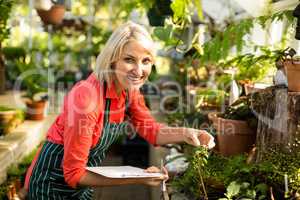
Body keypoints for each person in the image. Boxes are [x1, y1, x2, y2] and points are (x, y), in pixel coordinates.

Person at [21, 21, 215, 199]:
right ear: (112, 60)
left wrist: (188, 133)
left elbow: (153, 131)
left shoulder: (129, 92)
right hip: (51, 185)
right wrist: (139, 178)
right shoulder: (86, 98)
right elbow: (74, 174)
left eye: (146, 61)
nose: (139, 71)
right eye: (129, 60)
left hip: (81, 187)